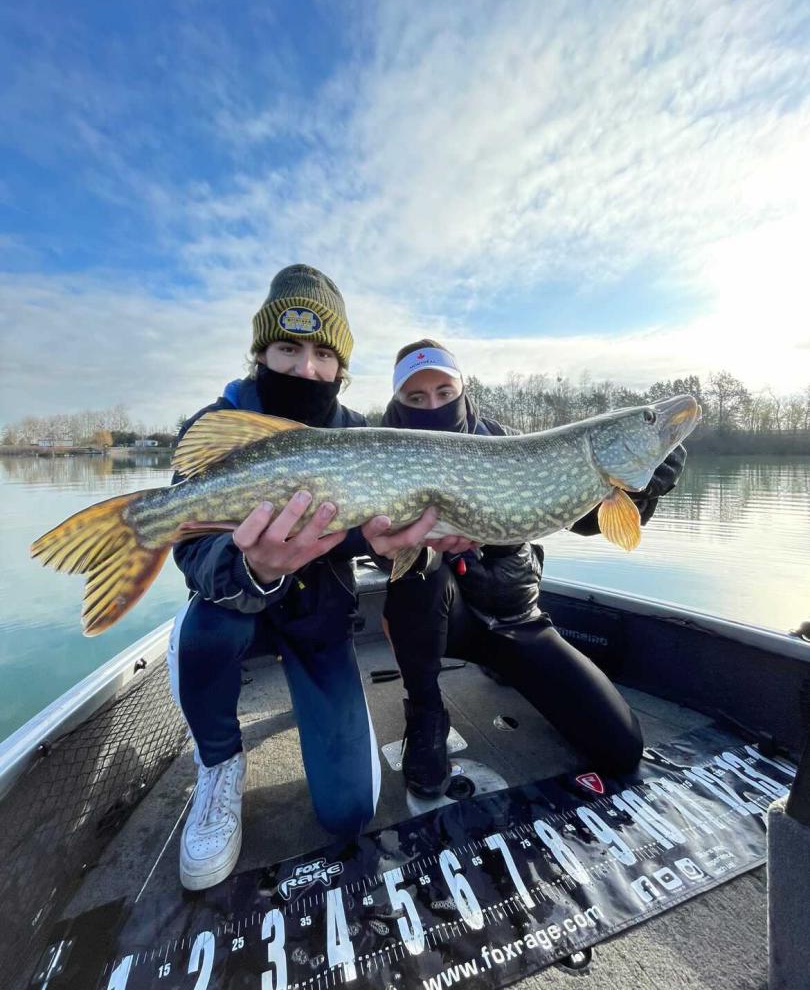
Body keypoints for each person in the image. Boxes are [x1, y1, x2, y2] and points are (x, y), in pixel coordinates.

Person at [168, 266, 442, 890]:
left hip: (318, 619)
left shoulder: (363, 439)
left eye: (323, 354)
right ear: (261, 351)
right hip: (231, 613)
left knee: (349, 812)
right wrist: (254, 566)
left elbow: (384, 543)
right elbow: (190, 552)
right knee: (207, 627)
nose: (305, 369)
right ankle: (218, 763)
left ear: (342, 365)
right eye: (287, 348)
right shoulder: (216, 427)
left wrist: (403, 549)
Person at [380, 339, 686, 798]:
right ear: (399, 404)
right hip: (442, 623)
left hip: (515, 619)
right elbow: (365, 545)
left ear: (462, 389)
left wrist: (644, 492)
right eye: (416, 398)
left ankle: (509, 666)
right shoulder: (385, 454)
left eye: (444, 391)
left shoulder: (506, 442)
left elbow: (586, 520)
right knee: (419, 574)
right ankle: (425, 711)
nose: (434, 404)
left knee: (621, 747)